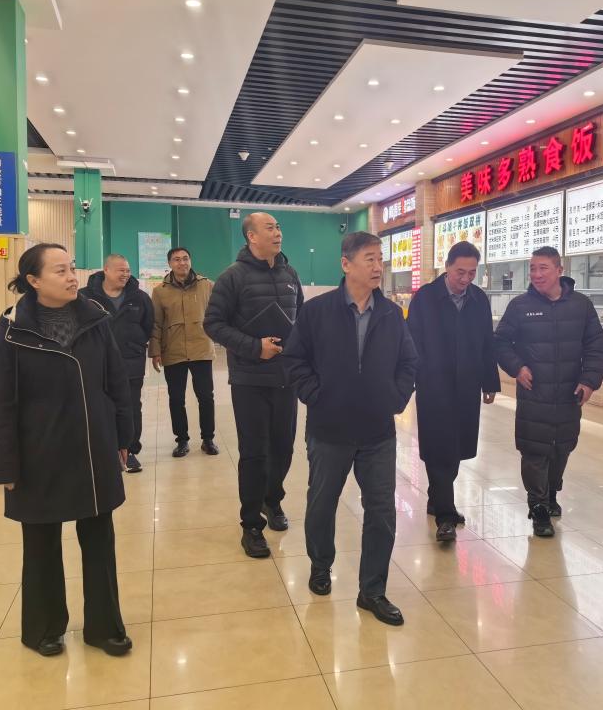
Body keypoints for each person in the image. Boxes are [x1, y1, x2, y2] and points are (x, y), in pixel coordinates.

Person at [0, 243, 133, 658]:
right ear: (33, 280)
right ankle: (44, 628)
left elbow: (116, 382)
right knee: (41, 545)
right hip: (38, 451)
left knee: (99, 541)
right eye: (60, 271)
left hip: (92, 445)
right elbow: (0, 402)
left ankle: (104, 627)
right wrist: (4, 464)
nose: (71, 277)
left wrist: (123, 438)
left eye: (72, 268)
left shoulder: (95, 319)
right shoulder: (12, 329)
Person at [284, 232, 418, 626]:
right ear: (346, 264)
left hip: (378, 432)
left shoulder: (391, 314)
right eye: (369, 259)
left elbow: (409, 362)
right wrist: (317, 395)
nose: (378, 267)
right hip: (329, 429)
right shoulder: (317, 311)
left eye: (380, 259)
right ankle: (320, 565)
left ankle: (372, 590)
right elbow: (294, 360)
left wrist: (395, 398)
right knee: (322, 503)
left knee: (381, 511)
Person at [204, 212, 303, 559]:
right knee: (254, 453)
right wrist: (254, 347)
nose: (278, 233)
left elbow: (301, 320)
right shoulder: (232, 277)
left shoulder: (290, 274)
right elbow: (213, 324)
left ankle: (272, 500)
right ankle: (251, 525)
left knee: (284, 448)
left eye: (278, 227)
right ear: (251, 236)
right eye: (270, 228)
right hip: (249, 380)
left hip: (285, 379)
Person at [494, 246, 603, 538]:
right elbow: (500, 342)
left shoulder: (581, 306)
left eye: (543, 268)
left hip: (569, 393)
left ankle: (551, 492)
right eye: (533, 268)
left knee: (562, 447)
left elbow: (594, 346)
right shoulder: (520, 306)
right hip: (534, 392)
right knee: (534, 449)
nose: (536, 274)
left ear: (559, 270)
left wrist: (589, 380)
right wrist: (517, 368)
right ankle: (538, 506)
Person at [407, 241, 500, 543]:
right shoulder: (425, 298)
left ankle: (437, 498)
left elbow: (487, 342)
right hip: (434, 386)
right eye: (460, 272)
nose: (465, 279)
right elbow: (412, 342)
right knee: (439, 448)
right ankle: (445, 516)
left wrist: (490, 381)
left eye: (472, 273)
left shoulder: (478, 299)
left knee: (457, 447)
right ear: (446, 267)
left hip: (467, 386)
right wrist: (415, 378)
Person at [81, 254, 153, 473]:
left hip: (131, 362)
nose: (125, 274)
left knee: (131, 407)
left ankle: (130, 451)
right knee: (100, 406)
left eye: (128, 270)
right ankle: (105, 450)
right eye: (121, 270)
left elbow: (148, 325)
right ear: (106, 270)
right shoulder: (85, 297)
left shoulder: (139, 297)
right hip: (97, 364)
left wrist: (135, 343)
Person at [149, 247, 218, 457]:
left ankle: (208, 439)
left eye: (185, 258)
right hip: (173, 351)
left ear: (190, 260)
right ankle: (182, 440)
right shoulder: (160, 291)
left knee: (205, 396)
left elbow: (218, 314)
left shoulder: (207, 285)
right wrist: (155, 350)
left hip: (201, 349)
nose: (182, 263)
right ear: (170, 264)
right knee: (176, 398)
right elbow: (156, 323)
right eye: (177, 259)